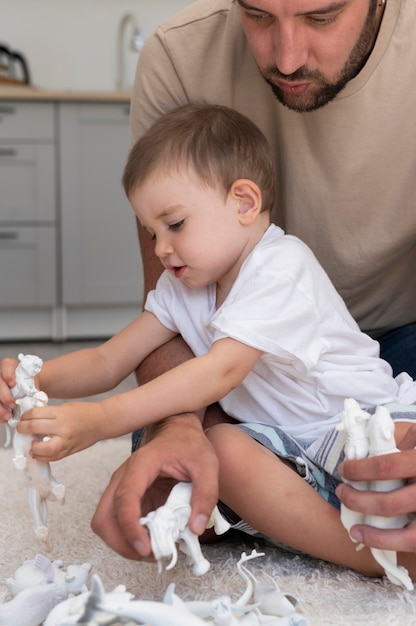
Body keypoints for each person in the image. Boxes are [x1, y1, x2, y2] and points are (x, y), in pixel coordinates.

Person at [1, 103, 416, 580]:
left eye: (175, 225)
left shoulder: (282, 265)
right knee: (222, 447)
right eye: (150, 231)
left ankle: (384, 543)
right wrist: (30, 375)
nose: (161, 248)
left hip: (362, 421)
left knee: (399, 449)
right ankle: (364, 554)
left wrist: (102, 418)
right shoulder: (184, 289)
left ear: (243, 203)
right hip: (290, 450)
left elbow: (220, 370)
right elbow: (108, 359)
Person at [89, 0, 416, 560]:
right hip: (249, 371)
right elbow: (171, 311)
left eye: (322, 16)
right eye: (258, 15)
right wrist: (182, 427)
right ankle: (364, 548)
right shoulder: (178, 55)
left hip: (399, 341)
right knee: (175, 501)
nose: (286, 58)